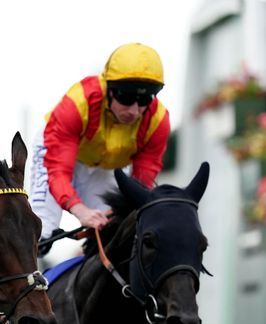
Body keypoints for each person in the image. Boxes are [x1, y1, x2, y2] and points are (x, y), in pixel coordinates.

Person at [29, 42, 170, 254]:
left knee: (113, 233)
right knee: (43, 231)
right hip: (57, 153)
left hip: (104, 167)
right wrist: (80, 210)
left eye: (143, 99)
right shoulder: (77, 104)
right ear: (109, 89)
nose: (134, 110)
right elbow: (58, 171)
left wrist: (118, 214)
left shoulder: (158, 121)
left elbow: (139, 185)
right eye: (126, 97)